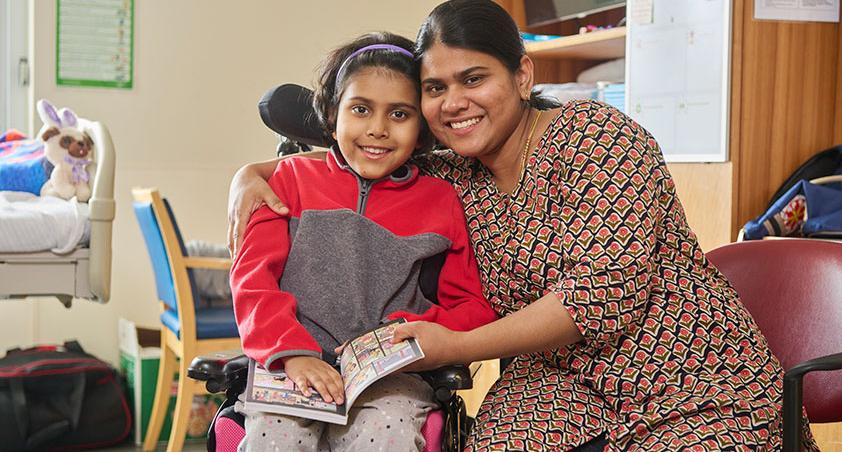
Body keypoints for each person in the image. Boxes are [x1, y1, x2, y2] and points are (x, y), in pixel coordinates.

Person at [228, 1, 818, 450]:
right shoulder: (454, 176)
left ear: (522, 75)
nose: (453, 102)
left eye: (473, 79)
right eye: (435, 88)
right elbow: (358, 162)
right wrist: (251, 175)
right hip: (558, 386)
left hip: (688, 383)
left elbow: (600, 302)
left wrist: (453, 346)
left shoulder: (600, 139)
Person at [230, 31, 498, 452]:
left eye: (399, 115)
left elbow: (470, 306)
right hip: (291, 363)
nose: (377, 130)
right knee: (275, 438)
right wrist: (291, 353)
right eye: (360, 110)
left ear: (422, 128)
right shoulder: (287, 181)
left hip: (391, 377)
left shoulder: (441, 201)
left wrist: (419, 333)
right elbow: (252, 282)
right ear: (334, 115)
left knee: (386, 436)